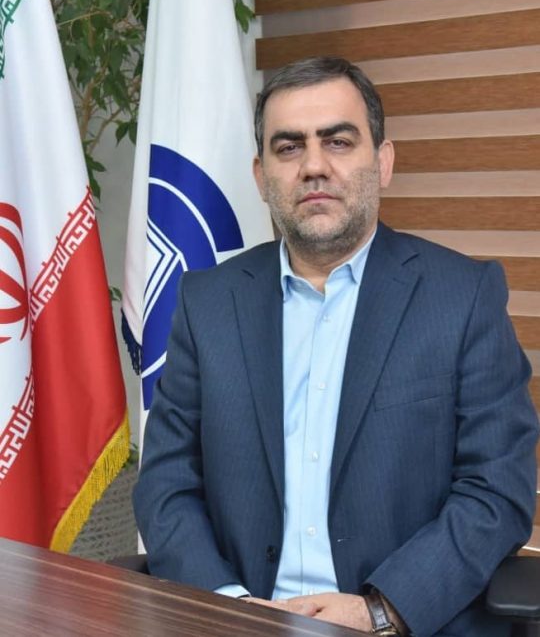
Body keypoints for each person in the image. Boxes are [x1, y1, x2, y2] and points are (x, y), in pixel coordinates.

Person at [133, 56, 538, 636]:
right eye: (289, 147)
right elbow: (166, 484)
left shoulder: (462, 297)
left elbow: (496, 492)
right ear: (261, 176)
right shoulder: (208, 303)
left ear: (383, 162)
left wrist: (380, 610)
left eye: (339, 142)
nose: (314, 166)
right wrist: (228, 606)